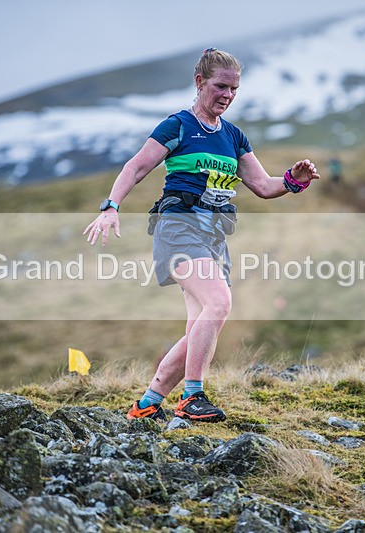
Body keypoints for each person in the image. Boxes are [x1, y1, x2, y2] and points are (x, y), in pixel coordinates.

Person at [83, 48, 320, 423]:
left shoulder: (233, 136)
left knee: (200, 324)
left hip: (213, 239)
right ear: (200, 83)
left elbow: (262, 184)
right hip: (177, 228)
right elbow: (136, 167)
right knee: (220, 303)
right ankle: (192, 397)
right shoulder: (177, 126)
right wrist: (110, 206)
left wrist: (292, 181)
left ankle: (147, 402)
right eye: (220, 86)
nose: (227, 95)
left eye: (234, 89)